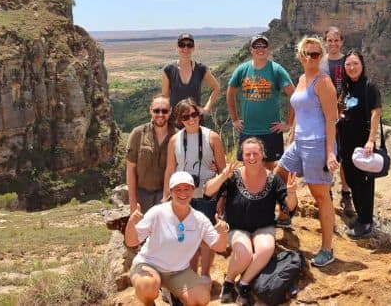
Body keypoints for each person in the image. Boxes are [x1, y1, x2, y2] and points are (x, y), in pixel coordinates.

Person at [204, 138, 298, 305]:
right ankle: (229, 281)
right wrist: (223, 176)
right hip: (237, 227)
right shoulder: (233, 176)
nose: (252, 157)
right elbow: (208, 192)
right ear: (242, 156)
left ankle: (244, 284)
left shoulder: (273, 179)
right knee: (244, 254)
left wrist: (291, 193)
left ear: (263, 155)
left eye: (256, 153)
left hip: (264, 226)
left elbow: (289, 208)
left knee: (265, 249)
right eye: (248, 154)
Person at [275, 37, 339, 267]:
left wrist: (330, 153)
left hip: (317, 143)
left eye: (315, 54)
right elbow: (300, 112)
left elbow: (332, 119)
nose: (310, 58)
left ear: (320, 56)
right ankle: (285, 215)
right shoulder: (302, 78)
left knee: (320, 195)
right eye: (306, 53)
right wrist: (291, 135)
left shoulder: (323, 82)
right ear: (300, 55)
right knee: (279, 174)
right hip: (299, 141)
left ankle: (327, 248)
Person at [126, 171, 229, 306]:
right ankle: (149, 303)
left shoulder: (199, 219)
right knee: (148, 286)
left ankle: (174, 295)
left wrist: (223, 231)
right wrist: (131, 223)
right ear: (171, 191)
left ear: (193, 190)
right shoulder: (157, 212)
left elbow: (219, 247)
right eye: (178, 189)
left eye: (187, 188)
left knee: (201, 298)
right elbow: (131, 242)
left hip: (178, 271)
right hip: (149, 265)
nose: (183, 193)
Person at [163, 98, 227, 280]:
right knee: (187, 238)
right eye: (186, 116)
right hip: (183, 197)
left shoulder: (212, 137)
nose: (191, 119)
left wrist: (223, 197)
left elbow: (223, 170)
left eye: (194, 114)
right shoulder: (175, 140)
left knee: (207, 237)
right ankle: (190, 275)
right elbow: (169, 169)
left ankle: (205, 275)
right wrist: (165, 196)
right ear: (179, 120)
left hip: (207, 194)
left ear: (199, 114)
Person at [227, 34, 295, 170]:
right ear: (251, 50)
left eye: (263, 46)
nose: (260, 49)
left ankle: (268, 191)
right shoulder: (242, 70)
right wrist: (234, 119)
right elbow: (230, 93)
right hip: (248, 130)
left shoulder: (276, 70)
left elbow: (293, 95)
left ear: (268, 49)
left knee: (270, 165)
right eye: (256, 46)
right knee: (248, 165)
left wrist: (288, 123)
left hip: (270, 130)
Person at [338, 49, 383, 238]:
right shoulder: (346, 87)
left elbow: (375, 113)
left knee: (364, 181)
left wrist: (371, 139)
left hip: (362, 141)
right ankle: (360, 216)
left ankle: (366, 222)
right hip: (346, 141)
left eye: (355, 63)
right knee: (351, 178)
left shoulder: (369, 86)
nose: (352, 67)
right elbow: (343, 107)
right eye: (348, 64)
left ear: (362, 65)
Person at [319, 26, 355, 218]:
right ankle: (328, 192)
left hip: (345, 116)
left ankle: (346, 193)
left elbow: (354, 85)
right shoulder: (320, 62)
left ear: (341, 41)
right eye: (330, 40)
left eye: (336, 40)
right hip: (324, 116)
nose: (333, 44)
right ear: (325, 42)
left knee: (346, 156)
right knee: (329, 154)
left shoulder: (346, 61)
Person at [126, 94, 176, 213]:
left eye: (164, 111)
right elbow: (130, 169)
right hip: (142, 196)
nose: (160, 114)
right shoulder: (138, 134)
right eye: (156, 110)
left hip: (166, 196)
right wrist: (133, 202)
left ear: (170, 112)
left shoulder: (177, 136)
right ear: (150, 111)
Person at [162, 33, 221, 116]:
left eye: (189, 45)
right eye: (182, 45)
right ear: (177, 47)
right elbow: (165, 98)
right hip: (175, 122)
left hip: (195, 120)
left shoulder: (201, 69)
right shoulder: (168, 70)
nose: (185, 48)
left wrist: (206, 109)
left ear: (193, 48)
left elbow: (217, 88)